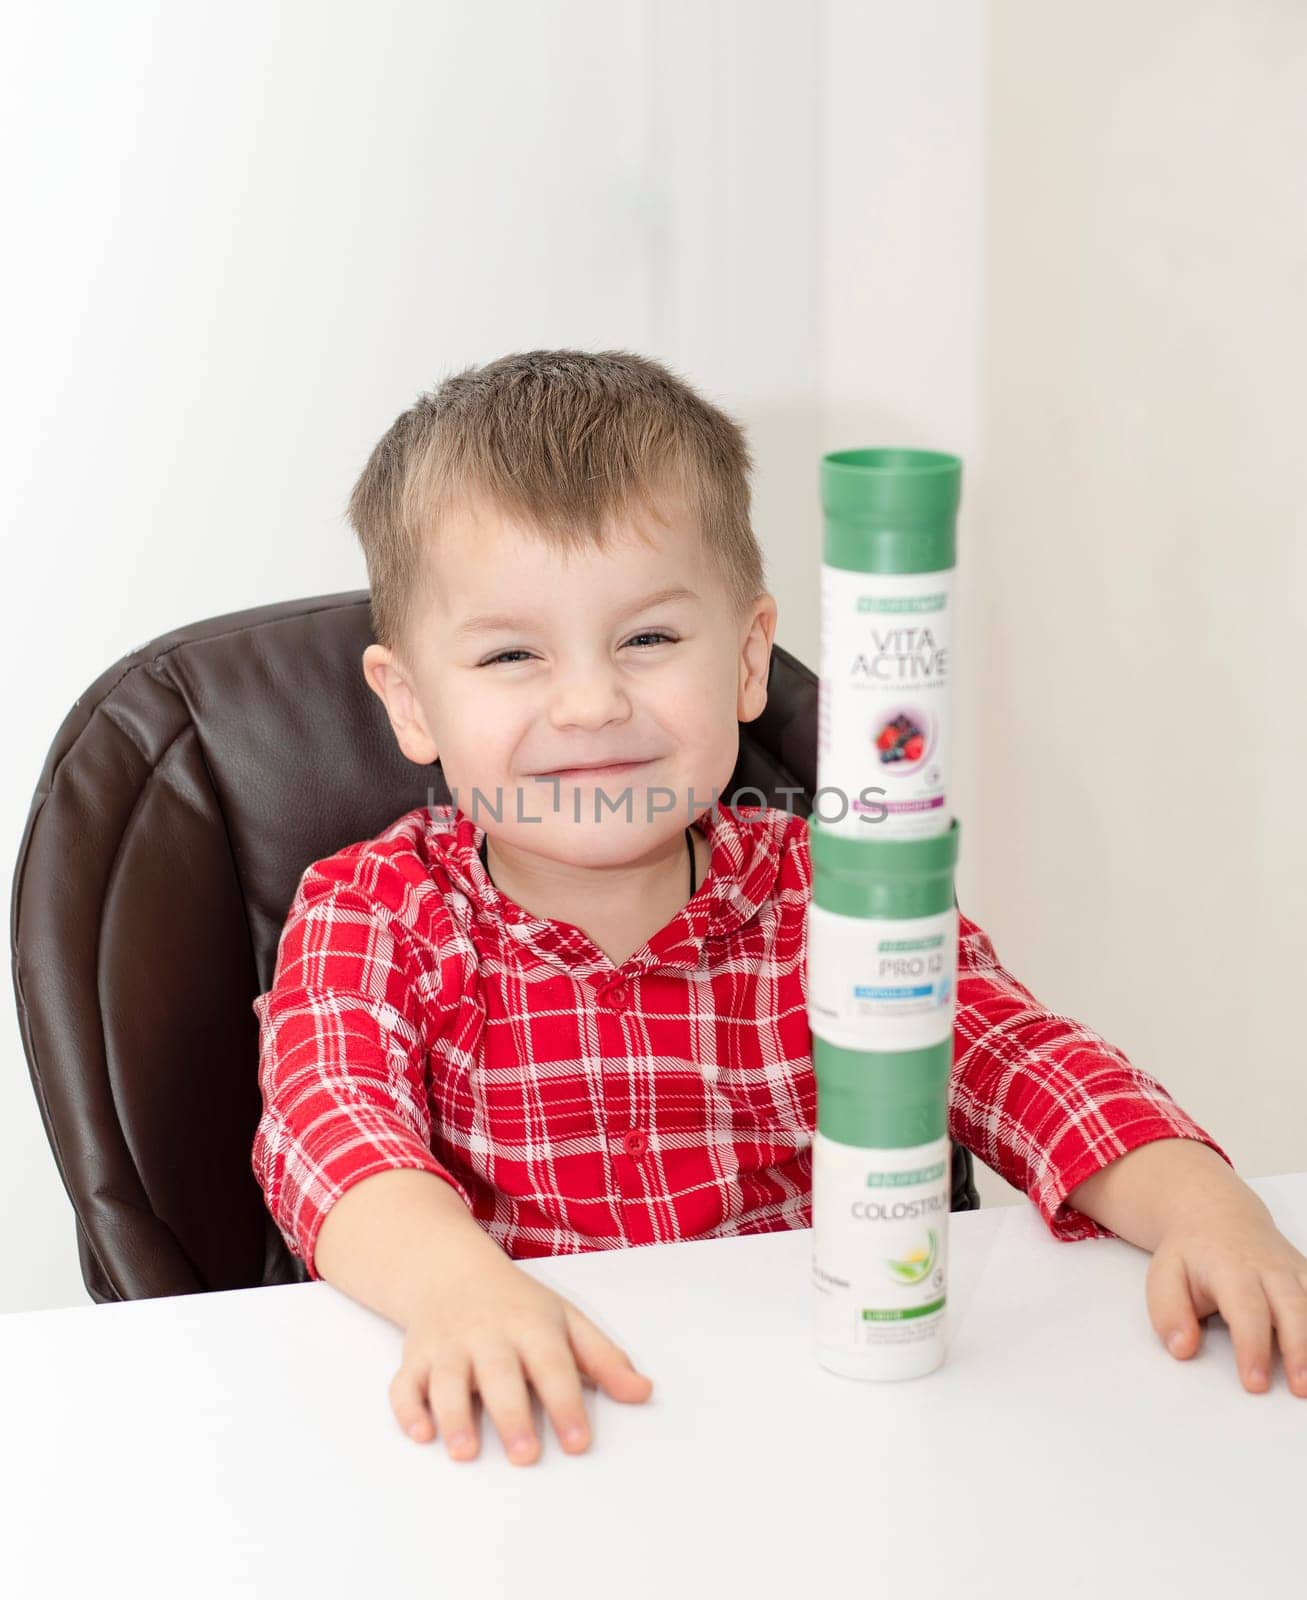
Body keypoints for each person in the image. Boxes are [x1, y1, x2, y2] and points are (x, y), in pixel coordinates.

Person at [251, 348, 1307, 1468]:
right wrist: (457, 1289)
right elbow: (333, 1131)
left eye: (648, 638)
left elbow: (1020, 1059)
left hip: (826, 1422)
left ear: (748, 658)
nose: (589, 700)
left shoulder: (831, 888)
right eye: (512, 653)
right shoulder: (373, 910)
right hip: (535, 1424)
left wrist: (1206, 1208)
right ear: (410, 702)